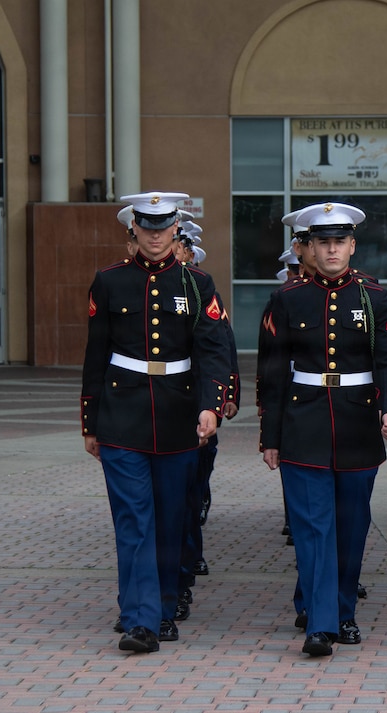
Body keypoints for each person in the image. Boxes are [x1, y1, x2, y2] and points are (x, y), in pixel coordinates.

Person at [82, 191, 232, 653]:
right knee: (134, 520)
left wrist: (210, 405)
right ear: (133, 231)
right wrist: (90, 421)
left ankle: (164, 608)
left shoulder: (197, 284)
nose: (154, 234)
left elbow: (211, 352)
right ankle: (141, 620)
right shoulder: (108, 282)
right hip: (121, 414)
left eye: (162, 225)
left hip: (178, 414)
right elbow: (95, 355)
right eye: (145, 226)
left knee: (170, 520)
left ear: (175, 229)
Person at [258, 201, 387, 657]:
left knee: (351, 526)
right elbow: (273, 373)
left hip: (358, 422)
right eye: (323, 242)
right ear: (309, 247)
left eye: (339, 241)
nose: (332, 250)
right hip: (304, 423)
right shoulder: (287, 300)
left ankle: (343, 611)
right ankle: (321, 624)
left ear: (352, 245)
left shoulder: (374, 297)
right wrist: (271, 437)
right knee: (312, 529)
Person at [171, 223, 240, 623]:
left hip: (200, 407)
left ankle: (185, 568)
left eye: (184, 247)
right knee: (177, 502)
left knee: (190, 496)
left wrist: (226, 397)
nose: (180, 253)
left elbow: (223, 348)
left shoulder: (200, 291)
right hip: (167, 407)